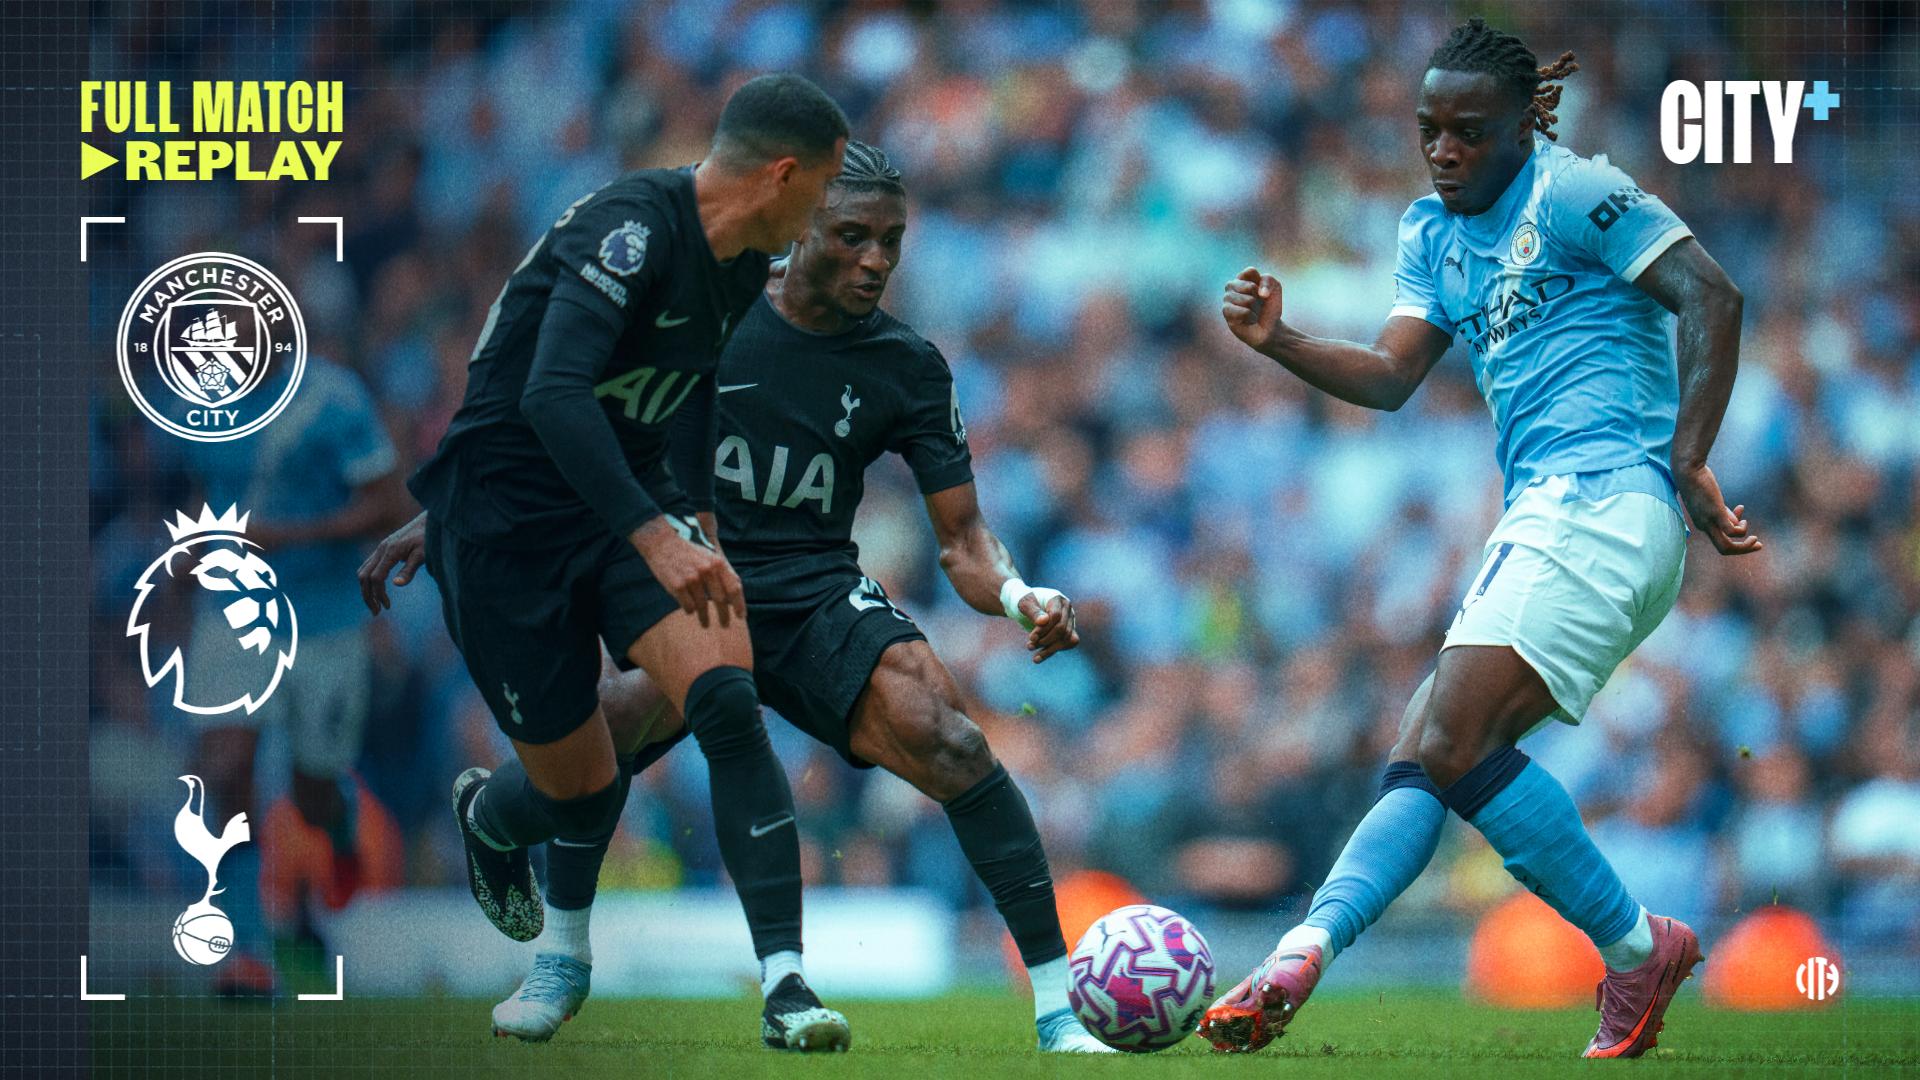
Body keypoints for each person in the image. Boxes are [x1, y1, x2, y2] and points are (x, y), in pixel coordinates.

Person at [363, 142, 1112, 1053]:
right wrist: (449, 511)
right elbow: (559, 405)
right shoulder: (705, 315)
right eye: (851, 235)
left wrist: (1019, 591)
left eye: (891, 240)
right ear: (801, 231)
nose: (876, 259)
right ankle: (513, 856)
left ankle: (1058, 1011)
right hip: (683, 574)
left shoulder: (907, 366)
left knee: (950, 737)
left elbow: (962, 541)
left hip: (814, 590)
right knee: (587, 770)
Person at [1198, 17, 1758, 1059]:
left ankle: (1634, 946)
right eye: (1429, 130)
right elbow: (1390, 375)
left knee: (1453, 745)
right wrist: (1280, 342)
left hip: (1605, 503)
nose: (1445, 149)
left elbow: (1712, 295)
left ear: (1520, 129)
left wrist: (1687, 459)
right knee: (1427, 754)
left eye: (1467, 131)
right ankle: (1303, 955)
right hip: (1546, 514)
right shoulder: (1431, 234)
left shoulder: (1580, 191)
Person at [396, 72, 852, 1050]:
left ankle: (786, 986)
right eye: (824, 188)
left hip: (621, 508)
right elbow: (552, 396)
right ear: (781, 174)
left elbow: (688, 393)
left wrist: (696, 520)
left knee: (724, 690)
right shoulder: (630, 230)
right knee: (585, 788)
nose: (827, 215)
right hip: (506, 532)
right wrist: (655, 532)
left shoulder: (738, 264)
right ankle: (525, 881)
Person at [180, 350, 407, 998]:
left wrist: (292, 534)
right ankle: (247, 950)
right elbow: (211, 487)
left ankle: (338, 833)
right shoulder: (206, 396)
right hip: (231, 609)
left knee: (313, 793)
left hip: (324, 621)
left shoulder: (333, 397)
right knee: (225, 771)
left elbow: (389, 505)